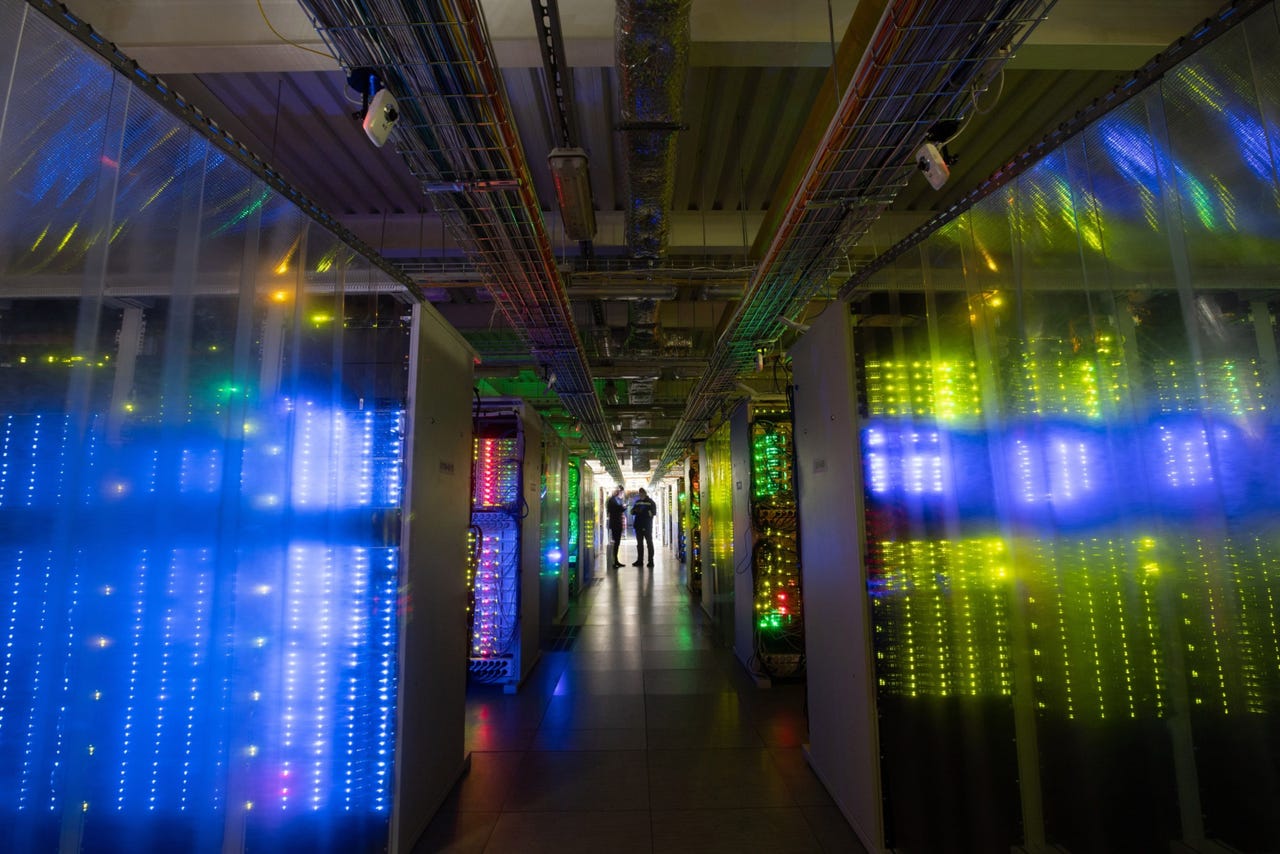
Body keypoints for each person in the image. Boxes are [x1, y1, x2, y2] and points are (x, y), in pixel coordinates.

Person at [630, 487, 657, 568]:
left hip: (647, 526)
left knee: (649, 543)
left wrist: (644, 512)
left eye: (642, 493)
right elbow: (632, 511)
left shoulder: (651, 502)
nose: (641, 495)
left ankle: (651, 561)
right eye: (640, 493)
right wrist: (635, 511)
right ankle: (640, 561)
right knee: (639, 544)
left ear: (645, 493)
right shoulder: (637, 502)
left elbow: (653, 513)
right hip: (638, 526)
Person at [605, 486, 626, 568]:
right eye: (622, 492)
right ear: (619, 491)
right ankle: (614, 561)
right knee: (615, 543)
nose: (622, 494)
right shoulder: (612, 500)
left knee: (617, 543)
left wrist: (622, 508)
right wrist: (623, 507)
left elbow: (617, 509)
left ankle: (616, 561)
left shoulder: (616, 500)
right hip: (615, 524)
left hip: (617, 523)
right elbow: (615, 510)